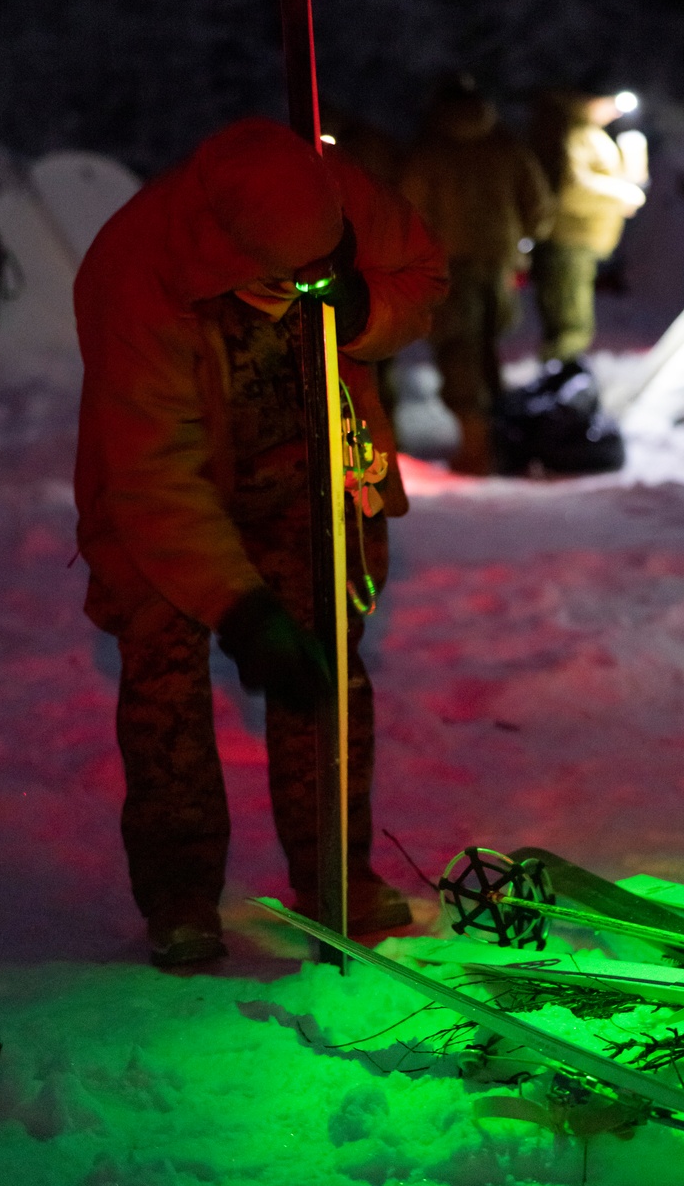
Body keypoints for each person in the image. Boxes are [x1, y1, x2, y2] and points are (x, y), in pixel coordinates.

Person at [74, 117, 447, 967]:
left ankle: (335, 875)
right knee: (164, 676)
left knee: (322, 667)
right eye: (292, 278)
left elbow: (425, 276)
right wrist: (240, 609)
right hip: (162, 490)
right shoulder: (136, 271)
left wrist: (365, 309)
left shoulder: (334, 190)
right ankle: (179, 893)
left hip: (304, 462)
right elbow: (155, 473)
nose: (310, 281)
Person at [399, 75, 554, 474]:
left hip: (448, 264)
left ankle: (476, 448)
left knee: (456, 350)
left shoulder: (429, 151)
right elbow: (539, 205)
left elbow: (410, 210)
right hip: (499, 262)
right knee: (488, 349)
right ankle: (501, 442)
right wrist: (520, 241)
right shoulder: (506, 146)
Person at [528, 90, 647, 367]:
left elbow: (624, 181)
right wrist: (622, 194)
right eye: (607, 102)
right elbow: (572, 187)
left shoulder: (591, 134)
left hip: (581, 241)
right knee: (570, 324)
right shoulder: (570, 133)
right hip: (567, 240)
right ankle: (559, 384)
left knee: (571, 323)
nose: (613, 111)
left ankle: (560, 382)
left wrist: (634, 161)